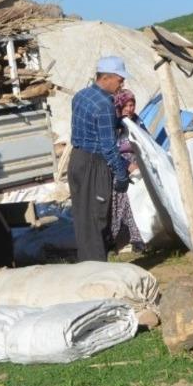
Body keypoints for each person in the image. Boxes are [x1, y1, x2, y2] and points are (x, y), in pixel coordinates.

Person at [68, 55, 131, 262]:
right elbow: (108, 146)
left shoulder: (80, 95)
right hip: (94, 164)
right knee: (97, 217)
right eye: (119, 80)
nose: (121, 85)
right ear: (107, 77)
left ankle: (86, 265)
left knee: (82, 217)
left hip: (77, 159)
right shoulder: (105, 104)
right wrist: (121, 174)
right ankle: (98, 271)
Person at [110, 89, 145, 253]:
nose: (130, 109)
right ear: (120, 105)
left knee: (137, 202)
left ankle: (138, 237)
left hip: (139, 167)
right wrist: (127, 166)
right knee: (123, 203)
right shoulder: (114, 124)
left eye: (133, 105)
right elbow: (110, 150)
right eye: (127, 105)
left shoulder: (137, 121)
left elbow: (146, 141)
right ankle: (117, 238)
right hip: (120, 167)